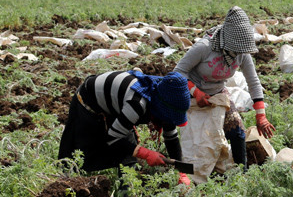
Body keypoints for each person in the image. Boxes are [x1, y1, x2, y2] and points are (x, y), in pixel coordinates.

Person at [174, 6, 275, 169]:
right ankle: (188, 174)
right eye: (236, 50)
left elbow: (253, 82)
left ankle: (240, 175)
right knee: (197, 141)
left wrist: (261, 115)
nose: (239, 54)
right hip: (192, 97)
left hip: (219, 95)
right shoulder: (204, 48)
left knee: (237, 132)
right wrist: (195, 91)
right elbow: (177, 73)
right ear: (228, 41)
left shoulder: (241, 53)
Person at [58, 70, 192, 186]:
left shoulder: (165, 103)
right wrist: (146, 154)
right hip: (89, 102)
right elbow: (113, 138)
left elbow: (171, 138)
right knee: (81, 154)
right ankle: (67, 182)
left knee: (129, 153)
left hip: (114, 105)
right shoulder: (137, 104)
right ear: (161, 108)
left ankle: (126, 193)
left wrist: (181, 172)